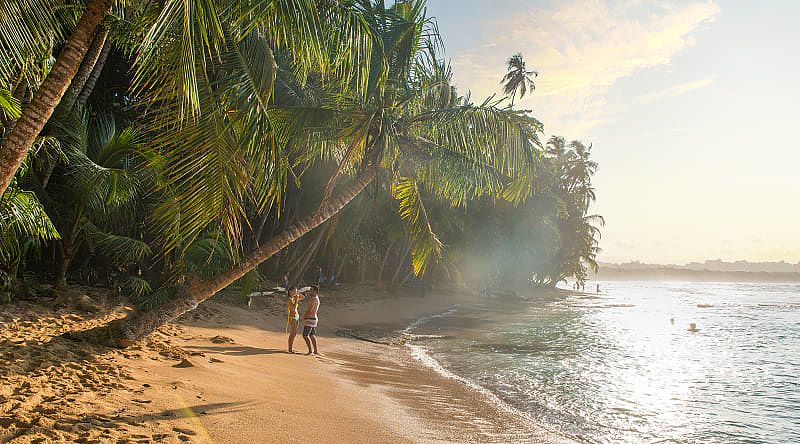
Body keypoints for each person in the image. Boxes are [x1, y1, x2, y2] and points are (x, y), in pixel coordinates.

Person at [301, 285, 321, 355]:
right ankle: (315, 351)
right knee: (312, 335)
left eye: (311, 290)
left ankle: (310, 351)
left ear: (315, 291)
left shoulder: (314, 299)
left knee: (305, 335)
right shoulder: (316, 298)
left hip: (310, 318)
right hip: (313, 318)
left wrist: (304, 316)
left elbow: (310, 310)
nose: (310, 291)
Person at [286, 286, 304, 353]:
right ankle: (290, 349)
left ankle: (291, 347)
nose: (295, 292)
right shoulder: (289, 300)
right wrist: (296, 300)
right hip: (293, 317)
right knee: (292, 334)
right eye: (294, 291)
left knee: (295, 333)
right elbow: (293, 309)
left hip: (296, 317)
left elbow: (303, 297)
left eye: (296, 291)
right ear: (290, 291)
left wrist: (298, 293)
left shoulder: (294, 298)